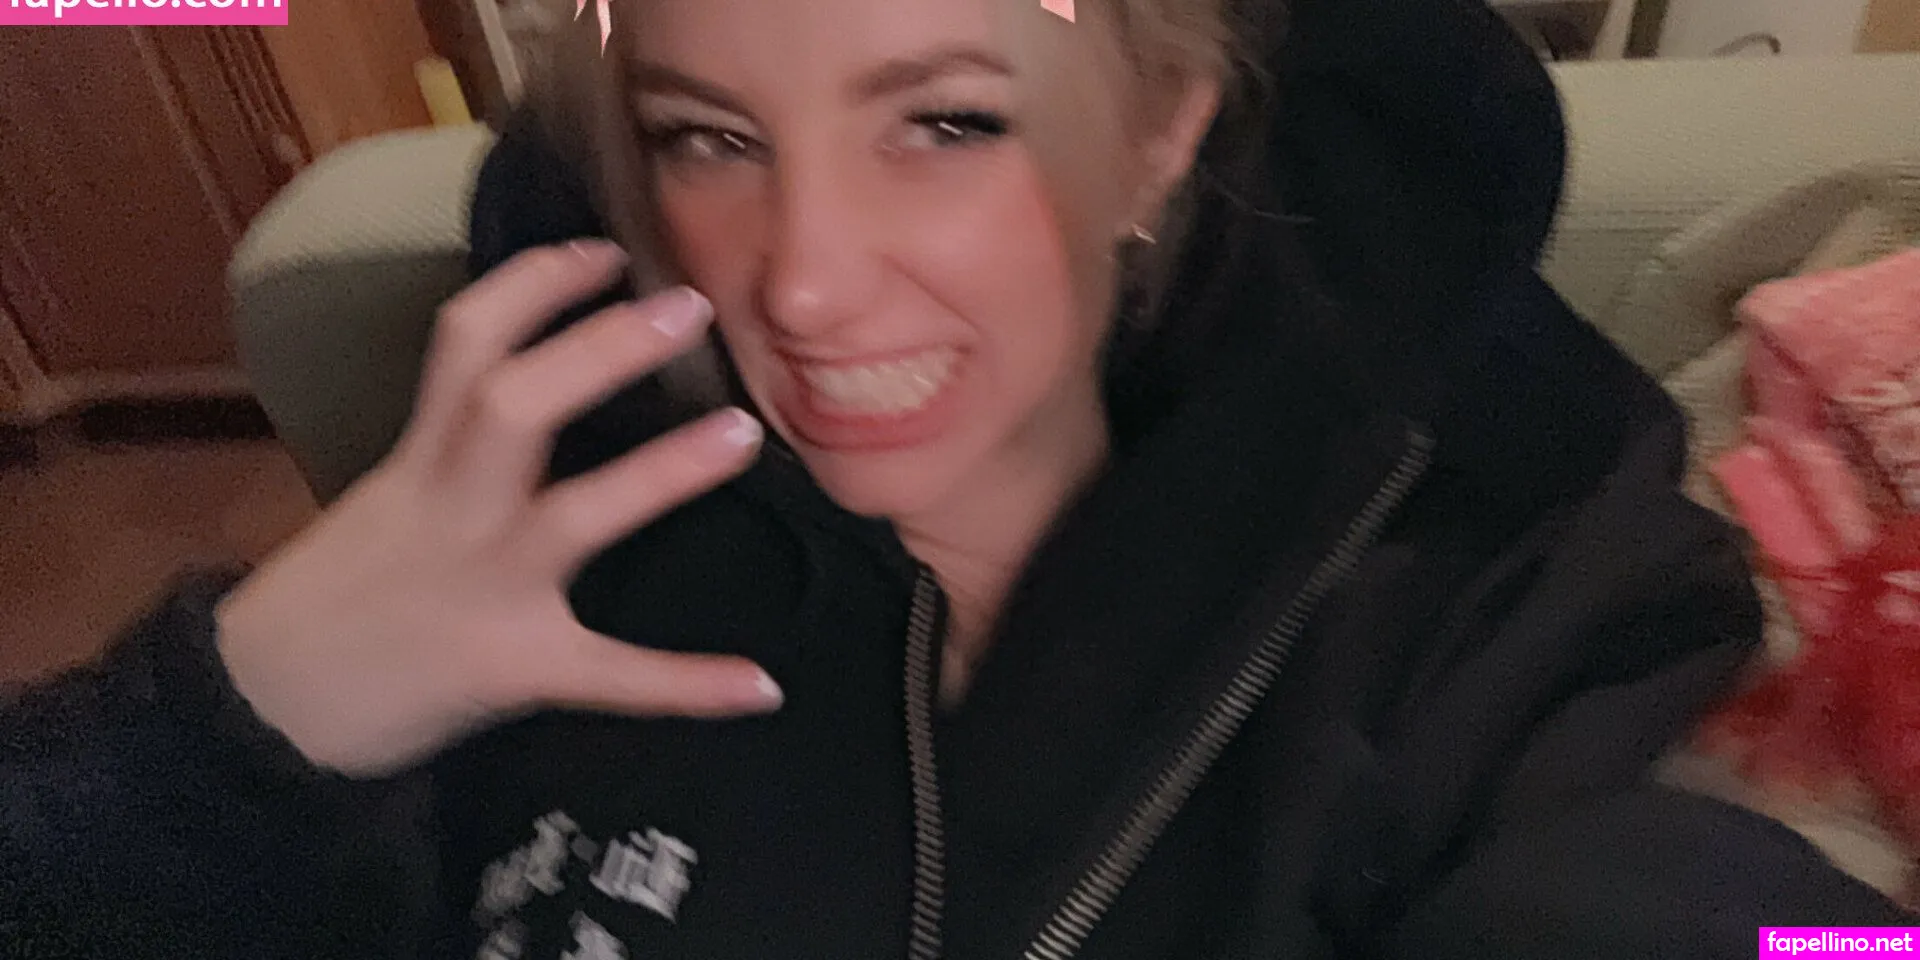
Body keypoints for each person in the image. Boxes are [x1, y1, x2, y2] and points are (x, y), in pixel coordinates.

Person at [2, 0, 1909, 957]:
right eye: (711, 138)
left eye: (941, 121)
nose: (805, 281)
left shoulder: (1493, 571)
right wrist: (236, 719)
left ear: (1157, 134)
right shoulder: (532, 528)